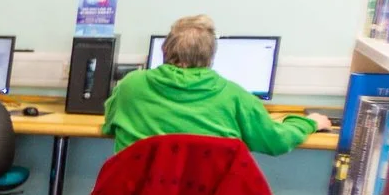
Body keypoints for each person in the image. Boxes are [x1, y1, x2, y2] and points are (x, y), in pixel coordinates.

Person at [102, 14, 317, 154]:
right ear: (210, 56)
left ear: (164, 50)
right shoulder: (235, 97)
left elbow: (110, 124)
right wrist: (309, 123)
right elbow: (275, 141)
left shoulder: (130, 86)